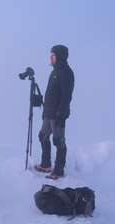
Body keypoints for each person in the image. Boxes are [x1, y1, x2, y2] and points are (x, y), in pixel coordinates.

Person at [35, 45, 74, 179]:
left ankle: (59, 170)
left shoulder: (66, 72)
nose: (51, 58)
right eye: (50, 55)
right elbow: (49, 94)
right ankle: (46, 164)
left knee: (59, 141)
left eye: (53, 55)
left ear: (60, 56)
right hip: (49, 113)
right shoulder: (54, 72)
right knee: (42, 136)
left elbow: (66, 96)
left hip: (58, 115)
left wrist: (61, 115)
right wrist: (45, 111)